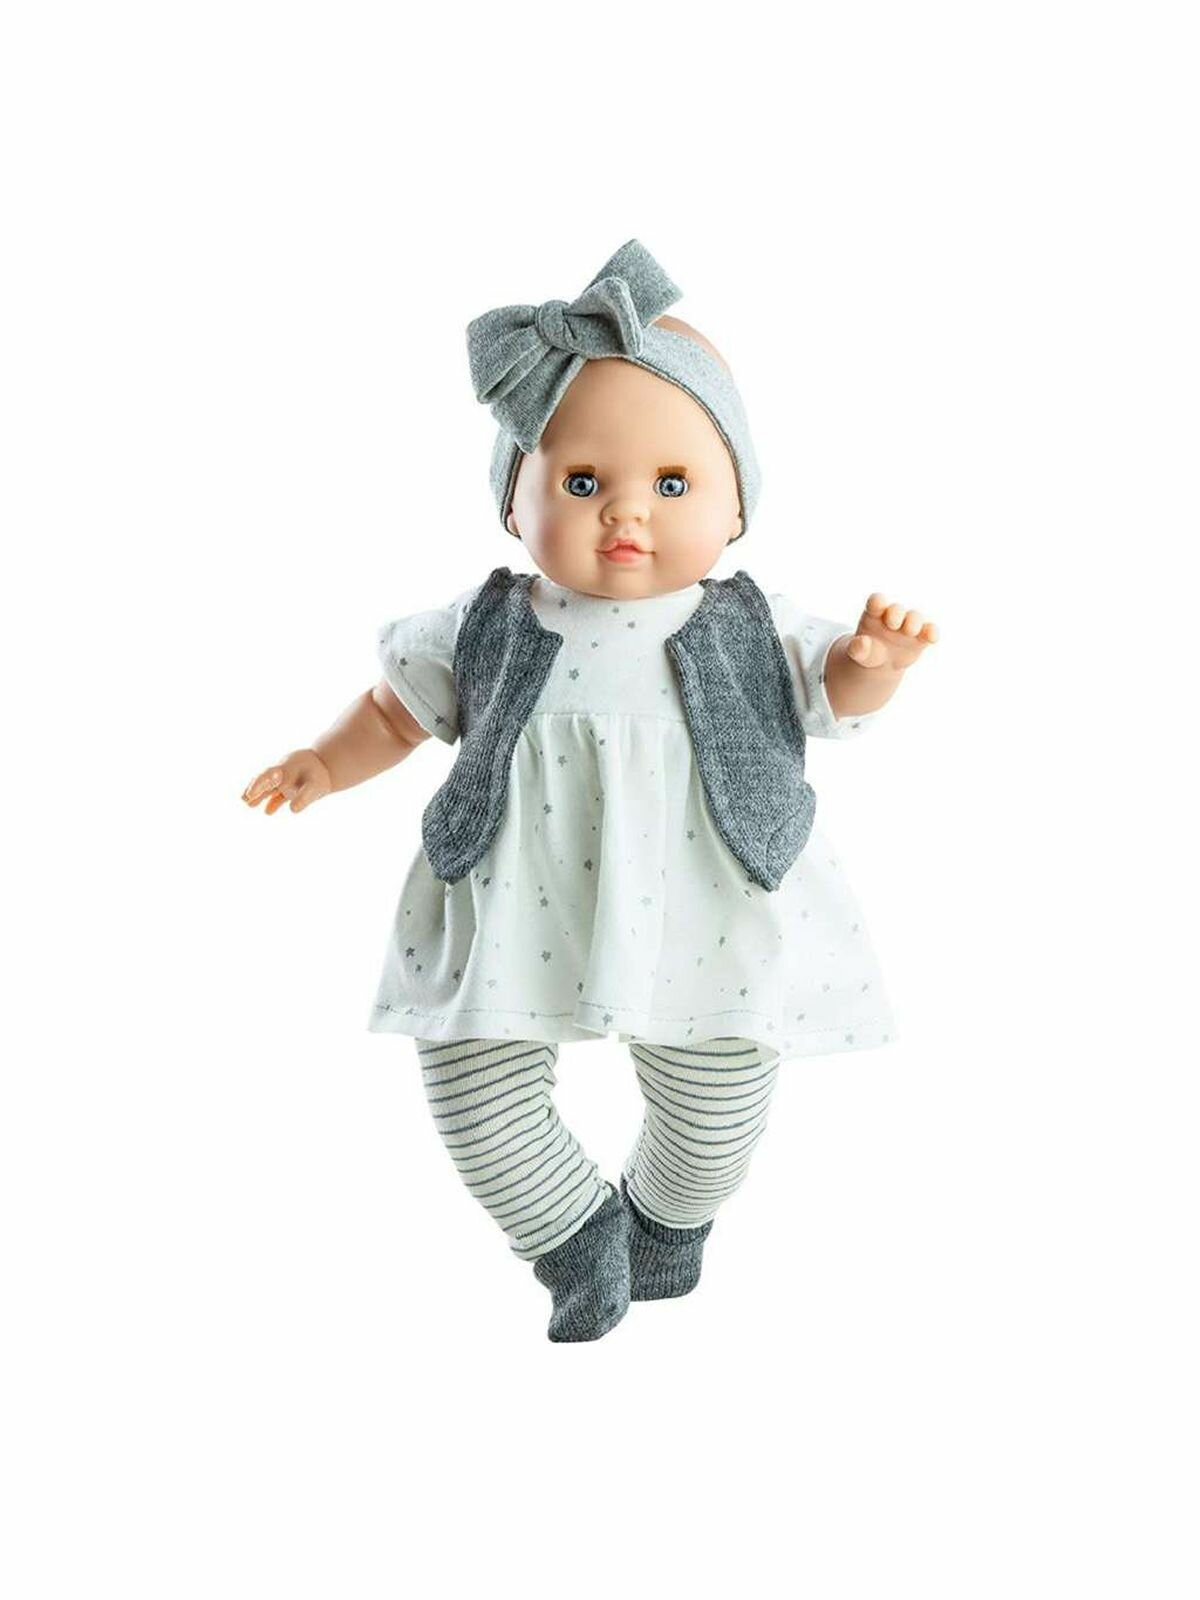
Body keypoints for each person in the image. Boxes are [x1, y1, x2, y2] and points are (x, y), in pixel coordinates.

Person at [242, 239, 937, 1343]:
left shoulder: (751, 624)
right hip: (510, 900)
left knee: (719, 1104)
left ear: (737, 509)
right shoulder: (482, 621)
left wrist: (873, 664)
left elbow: (831, 697)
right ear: (513, 505)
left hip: (705, 906)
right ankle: (571, 1234)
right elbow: (394, 710)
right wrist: (324, 763)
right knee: (472, 1088)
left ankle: (667, 1219)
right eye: (581, 483)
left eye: (673, 485)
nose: (627, 514)